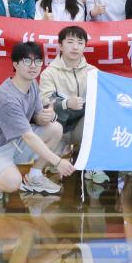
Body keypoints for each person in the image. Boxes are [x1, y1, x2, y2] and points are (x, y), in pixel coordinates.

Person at [0, 41, 75, 200]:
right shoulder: (7, 98)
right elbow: (28, 136)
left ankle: (35, 176)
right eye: (27, 61)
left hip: (16, 141)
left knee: (55, 128)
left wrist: (45, 117)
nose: (33, 66)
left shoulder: (32, 84)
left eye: (38, 61)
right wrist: (58, 162)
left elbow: (37, 117)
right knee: (13, 182)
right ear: (15, 64)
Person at [39, 26, 103, 182]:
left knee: (99, 118)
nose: (75, 47)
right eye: (70, 42)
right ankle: (59, 156)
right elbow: (45, 101)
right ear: (60, 45)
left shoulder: (93, 72)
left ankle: (91, 165)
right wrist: (66, 103)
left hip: (82, 126)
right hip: (58, 128)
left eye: (80, 43)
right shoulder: (49, 73)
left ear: (85, 46)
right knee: (47, 163)